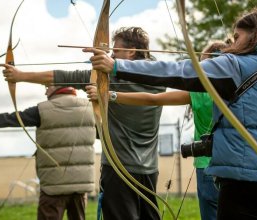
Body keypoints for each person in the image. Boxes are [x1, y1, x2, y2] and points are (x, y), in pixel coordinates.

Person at [85, 9, 257, 220]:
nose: (232, 43)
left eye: (237, 37)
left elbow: (179, 70)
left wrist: (116, 66)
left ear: (253, 35)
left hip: (242, 180)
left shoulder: (234, 64)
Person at [1, 27, 166, 220]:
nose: (112, 55)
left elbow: (63, 77)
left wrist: (20, 76)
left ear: (131, 52)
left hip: (118, 170)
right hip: (150, 169)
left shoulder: (111, 79)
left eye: (116, 51)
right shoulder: (159, 76)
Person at [86, 41, 229, 220]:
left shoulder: (200, 92)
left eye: (202, 65)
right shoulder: (241, 88)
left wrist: (110, 95)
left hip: (206, 166)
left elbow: (153, 99)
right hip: (236, 166)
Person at [0, 86, 96, 220]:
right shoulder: (90, 109)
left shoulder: (42, 110)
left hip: (53, 186)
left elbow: (9, 118)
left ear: (55, 86)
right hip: (80, 187)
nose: (45, 91)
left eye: (47, 86)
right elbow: (105, 135)